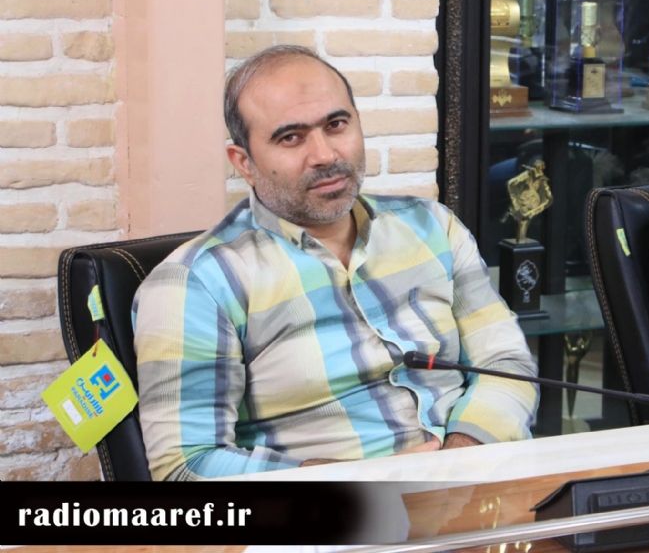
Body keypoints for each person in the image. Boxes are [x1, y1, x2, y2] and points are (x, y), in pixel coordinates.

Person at [133, 45, 538, 480]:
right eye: (291, 137)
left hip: (484, 484)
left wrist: (458, 458)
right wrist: (363, 485)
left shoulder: (434, 227)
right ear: (244, 163)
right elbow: (185, 465)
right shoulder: (196, 284)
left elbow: (507, 363)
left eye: (336, 125)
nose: (325, 155)